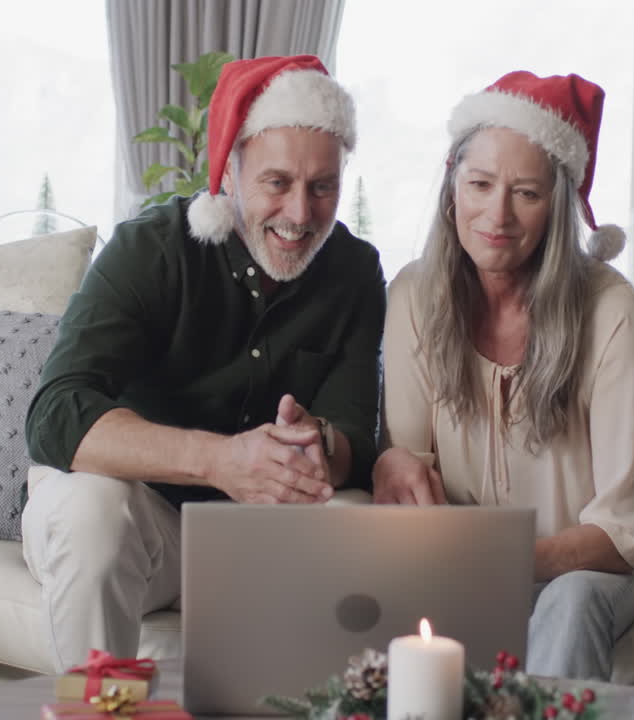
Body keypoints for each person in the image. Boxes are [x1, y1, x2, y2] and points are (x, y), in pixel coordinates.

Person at [23, 55, 386, 670]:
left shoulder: (354, 270)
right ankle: (100, 716)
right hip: (132, 515)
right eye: (277, 183)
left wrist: (314, 443)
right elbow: (55, 415)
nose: (300, 214)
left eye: (322, 187)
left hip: (247, 540)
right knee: (94, 511)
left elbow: (355, 438)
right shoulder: (150, 249)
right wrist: (221, 460)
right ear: (232, 168)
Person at [373, 71, 634, 681]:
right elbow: (408, 463)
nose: (497, 215)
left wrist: (496, 564)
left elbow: (620, 535)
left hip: (592, 572)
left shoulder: (609, 306)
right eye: (480, 184)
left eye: (527, 194)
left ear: (557, 204)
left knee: (572, 598)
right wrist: (390, 465)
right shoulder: (411, 295)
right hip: (458, 570)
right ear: (453, 184)